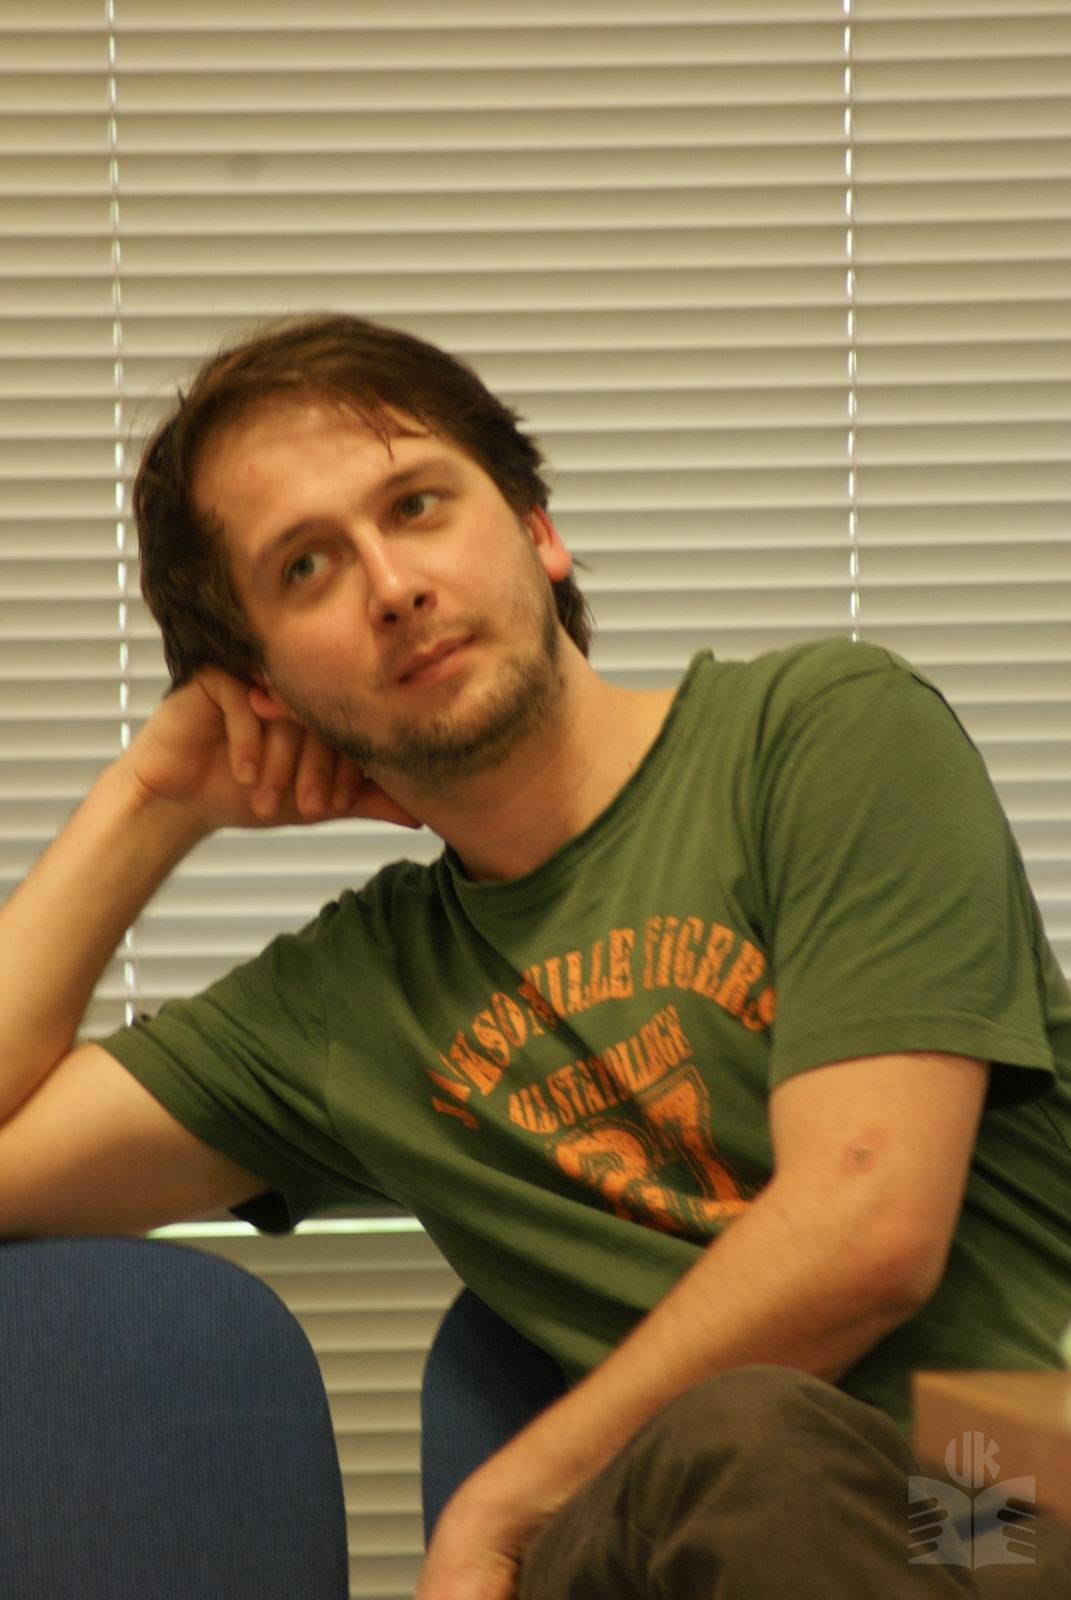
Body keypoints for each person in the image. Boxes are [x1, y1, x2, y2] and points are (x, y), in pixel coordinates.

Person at [0, 314, 1068, 1599]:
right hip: (667, 1547)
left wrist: (502, 1501)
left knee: (753, 1442)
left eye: (417, 505)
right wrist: (151, 802)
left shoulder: (821, 737)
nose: (393, 585)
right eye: (306, 568)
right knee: (737, 1458)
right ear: (263, 686)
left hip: (996, 1498)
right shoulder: (355, 997)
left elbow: (868, 1228)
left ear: (534, 529)